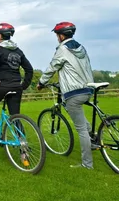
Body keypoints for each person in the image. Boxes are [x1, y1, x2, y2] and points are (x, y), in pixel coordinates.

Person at [37, 21, 95, 170]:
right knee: (80, 119)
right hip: (88, 89)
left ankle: (87, 164)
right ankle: (93, 138)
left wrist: (41, 82)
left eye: (57, 35)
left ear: (61, 35)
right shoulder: (81, 47)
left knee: (80, 128)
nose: (57, 37)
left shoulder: (63, 49)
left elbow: (52, 67)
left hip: (74, 92)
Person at [0, 23, 34, 145]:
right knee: (15, 116)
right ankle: (23, 147)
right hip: (16, 87)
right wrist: (23, 86)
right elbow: (29, 69)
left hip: (3, 86)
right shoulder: (18, 51)